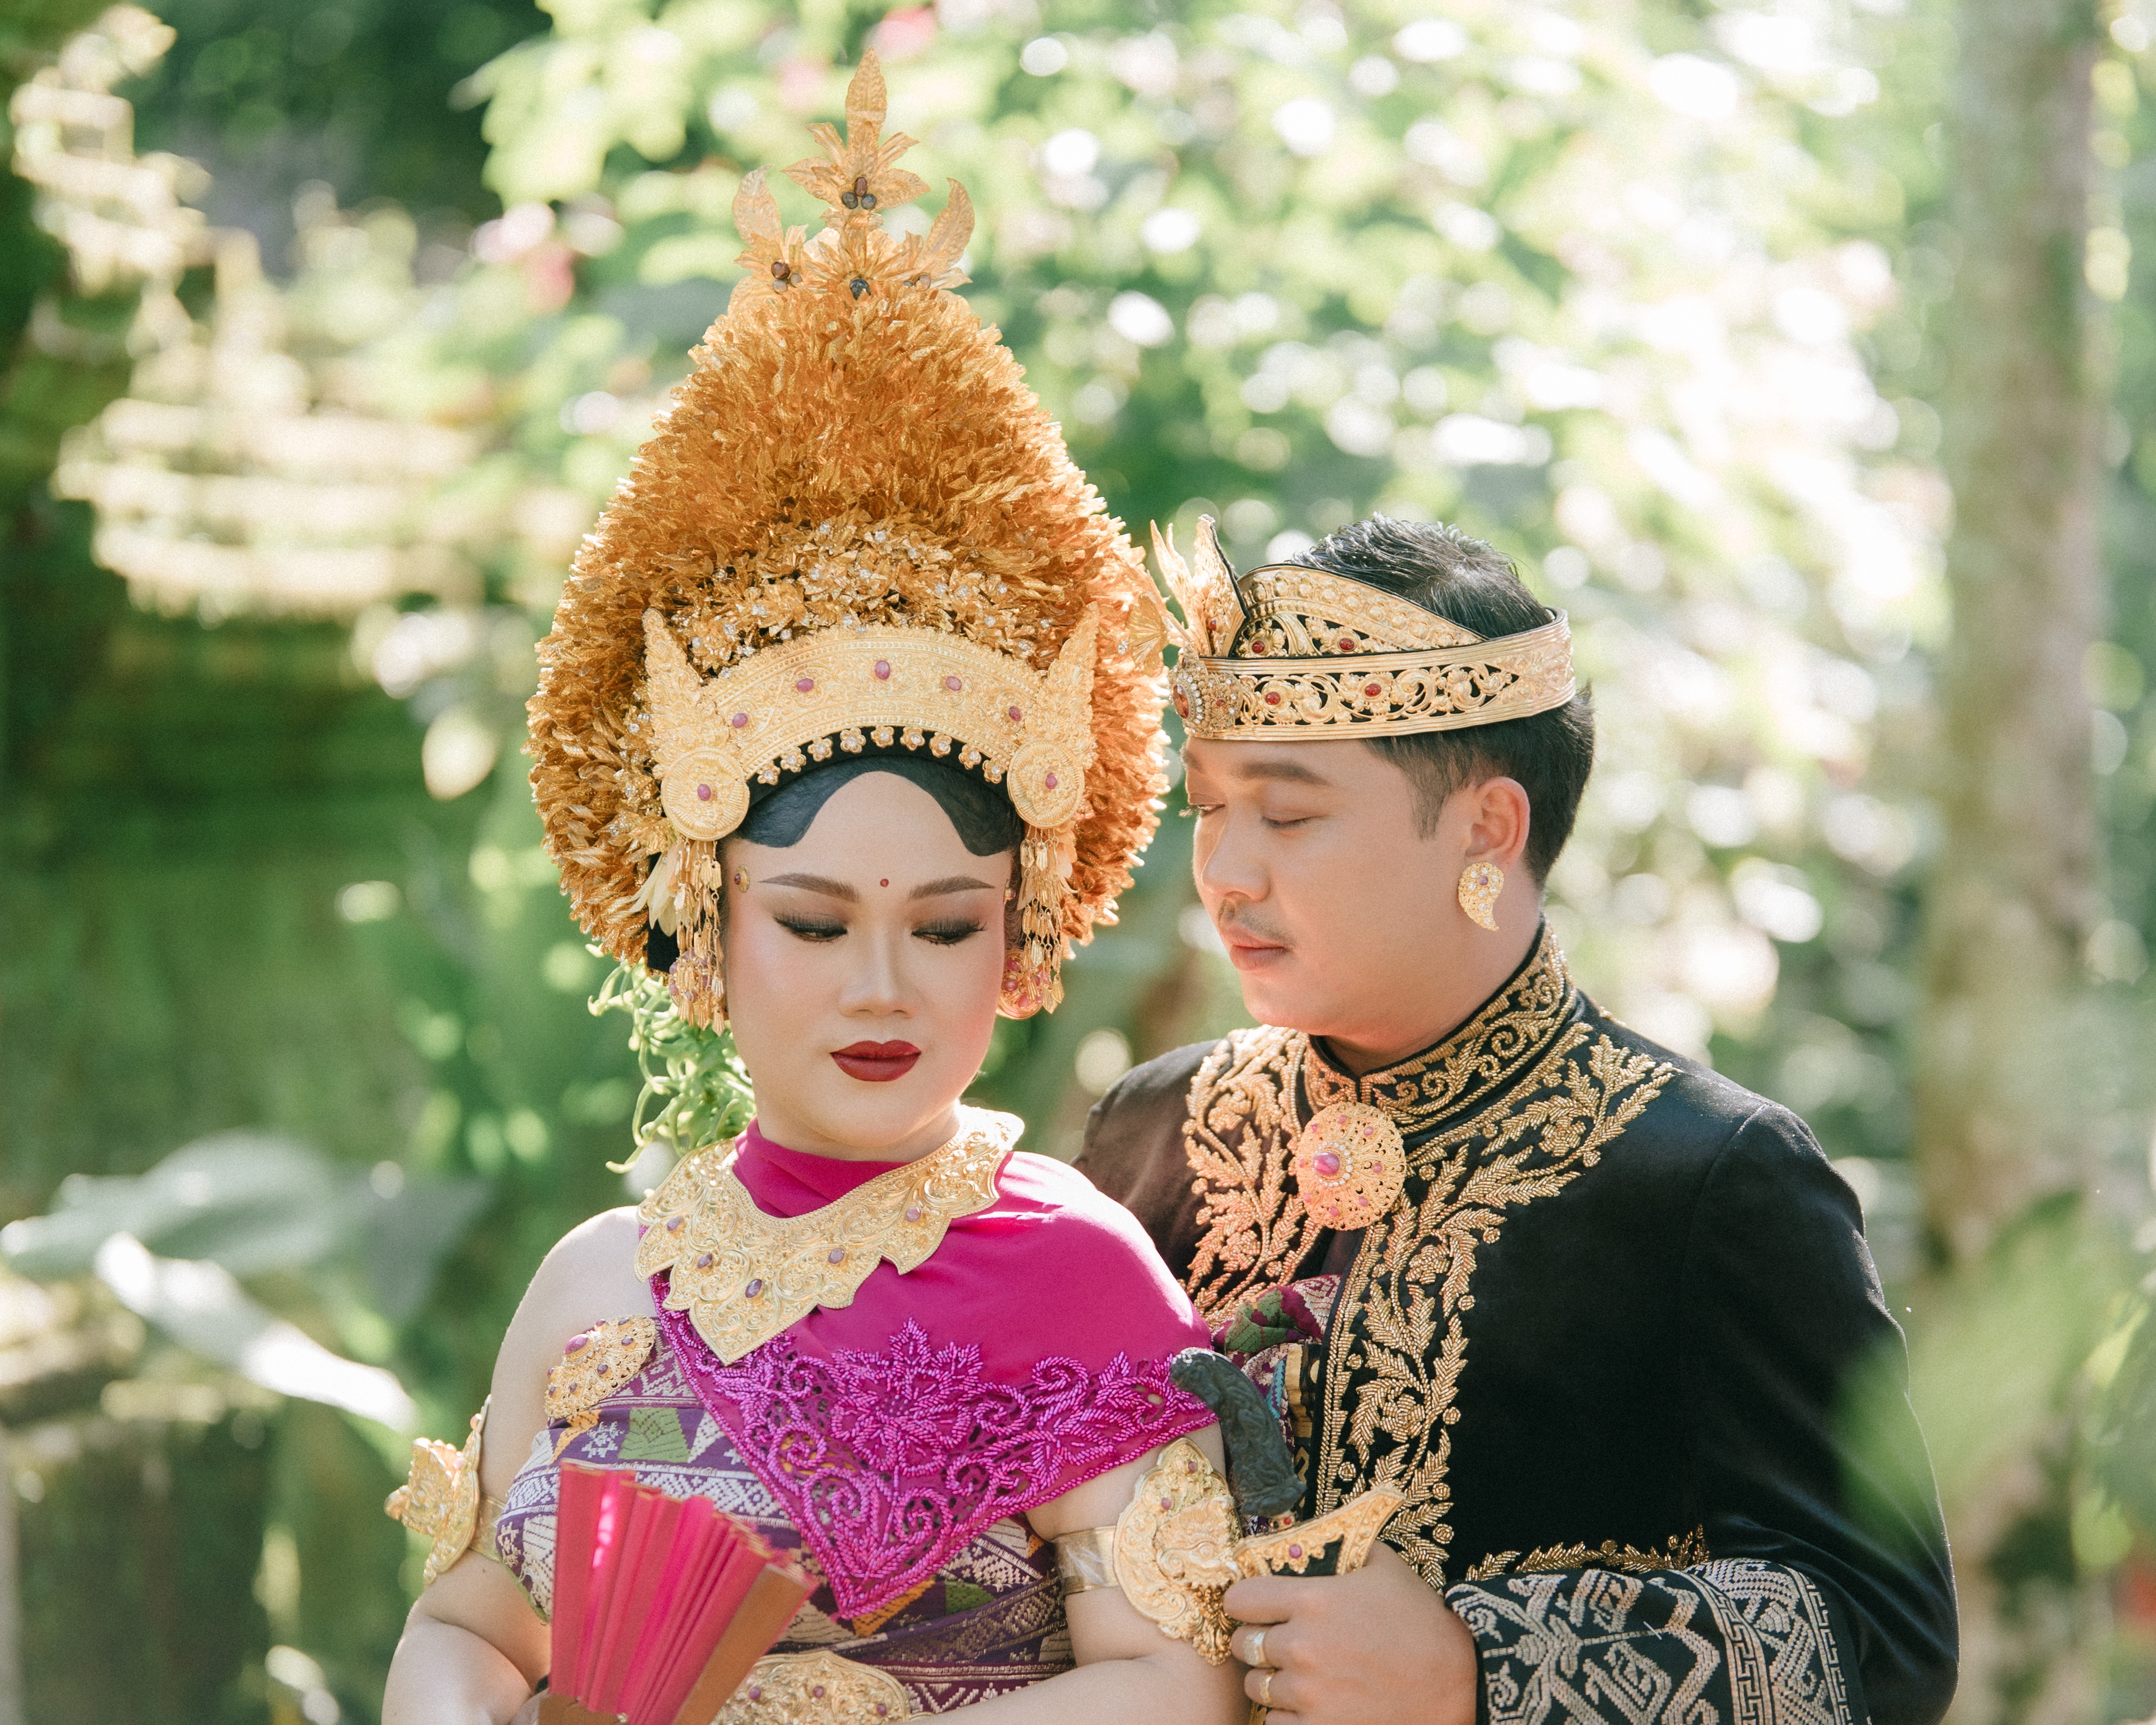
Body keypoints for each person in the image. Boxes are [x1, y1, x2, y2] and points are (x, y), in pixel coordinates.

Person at [380, 55, 1245, 1725]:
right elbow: (470, 1625)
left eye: (942, 925)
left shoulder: (1082, 1274)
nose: (883, 986)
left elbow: (1178, 1685)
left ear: (1021, 938)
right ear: (705, 929)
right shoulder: (596, 1288)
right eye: (814, 919)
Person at [1076, 515, 1959, 1725]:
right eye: (1206, 806)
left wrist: (1475, 1667)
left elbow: (1883, 1637)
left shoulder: (1712, 1178)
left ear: (1487, 828)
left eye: (1285, 816)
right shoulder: (1149, 1131)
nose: (1224, 869)